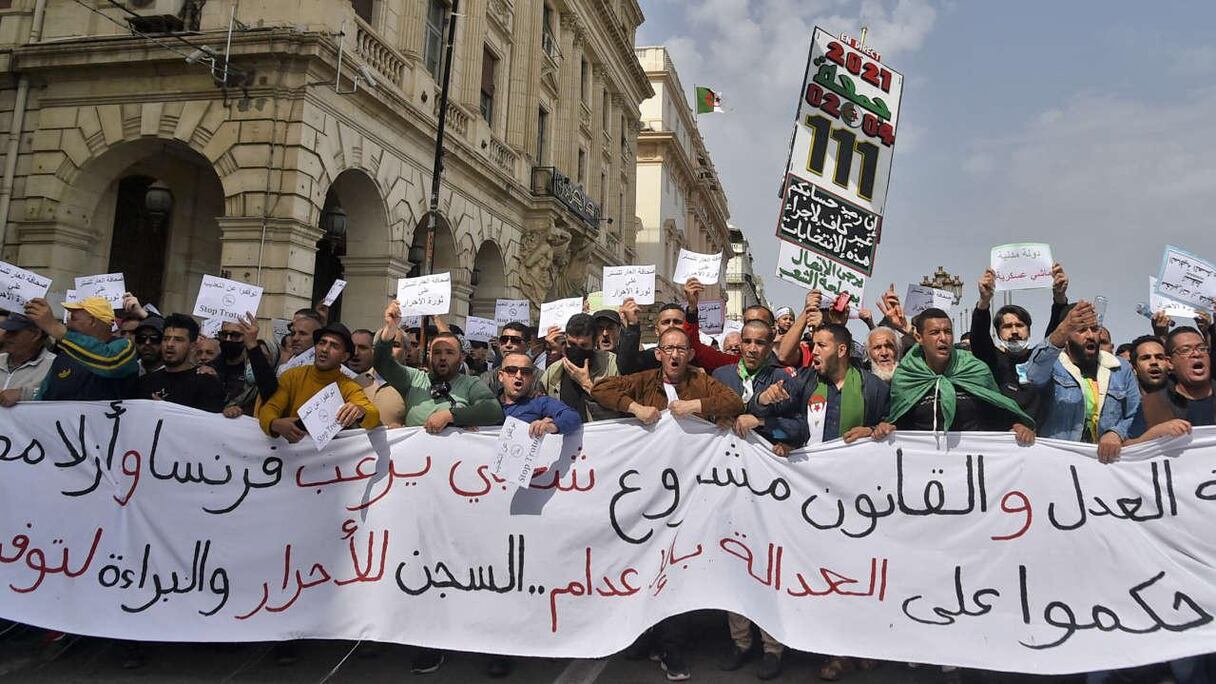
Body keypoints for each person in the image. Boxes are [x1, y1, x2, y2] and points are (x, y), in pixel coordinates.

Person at [591, 326, 744, 682]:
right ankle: (645, 635)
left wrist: (696, 406)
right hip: (648, 490)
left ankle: (672, 646)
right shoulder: (645, 380)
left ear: (690, 354)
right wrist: (634, 407)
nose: (674, 355)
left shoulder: (700, 381)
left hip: (689, 491)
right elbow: (601, 389)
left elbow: (734, 403)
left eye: (681, 349)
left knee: (676, 567)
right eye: (668, 349)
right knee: (645, 563)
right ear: (659, 353)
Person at [709, 319, 801, 680]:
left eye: (759, 343)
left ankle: (773, 646)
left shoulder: (785, 378)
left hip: (768, 489)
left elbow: (799, 427)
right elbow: (708, 415)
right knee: (735, 563)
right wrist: (723, 416)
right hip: (728, 484)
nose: (751, 348)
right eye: (746, 341)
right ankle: (740, 641)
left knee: (769, 566)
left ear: (770, 344)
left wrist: (761, 422)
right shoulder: (720, 375)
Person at [874, 308, 1035, 442]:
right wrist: (887, 427)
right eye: (935, 332)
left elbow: (998, 413)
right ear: (919, 338)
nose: (943, 338)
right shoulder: (907, 376)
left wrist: (1017, 426)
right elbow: (899, 419)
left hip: (973, 461)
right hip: (926, 465)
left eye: (948, 332)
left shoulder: (974, 369)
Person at [1025, 302, 1139, 463]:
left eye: (1095, 329)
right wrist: (1062, 330)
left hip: (1107, 465)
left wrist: (1116, 433)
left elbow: (1136, 413)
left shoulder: (1120, 368)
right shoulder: (1052, 365)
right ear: (1066, 336)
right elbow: (1033, 374)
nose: (1090, 335)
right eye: (1081, 330)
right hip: (1059, 462)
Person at [373, 301, 503, 433]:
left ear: (461, 358)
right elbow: (382, 363)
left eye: (449, 352)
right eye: (437, 352)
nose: (442, 357)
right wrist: (391, 327)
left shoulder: (471, 383)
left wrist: (450, 416)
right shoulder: (413, 379)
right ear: (429, 356)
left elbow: (493, 410)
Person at [257, 322, 380, 441]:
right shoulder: (292, 376)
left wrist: (360, 411)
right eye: (322, 343)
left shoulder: (349, 386)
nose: (325, 349)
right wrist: (274, 424)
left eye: (334, 346)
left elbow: (373, 416)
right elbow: (269, 409)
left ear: (345, 357)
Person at [25, 295, 139, 401]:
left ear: (92, 321)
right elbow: (42, 397)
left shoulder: (124, 347)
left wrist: (53, 326)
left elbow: (109, 362)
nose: (68, 325)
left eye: (73, 318)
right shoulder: (64, 357)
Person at [540, 313, 620, 422]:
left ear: (594, 342)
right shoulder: (554, 371)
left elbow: (620, 407)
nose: (577, 350)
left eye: (584, 345)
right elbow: (543, 404)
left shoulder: (611, 365)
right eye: (572, 344)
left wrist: (586, 384)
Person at [137, 314, 225, 412]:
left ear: (193, 346)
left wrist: (168, 411)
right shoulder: (144, 382)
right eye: (166, 339)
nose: (170, 344)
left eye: (178, 340)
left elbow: (208, 420)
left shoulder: (207, 383)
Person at [498, 352, 580, 436]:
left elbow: (572, 417)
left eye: (526, 372)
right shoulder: (491, 403)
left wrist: (551, 426)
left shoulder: (540, 402)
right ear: (501, 376)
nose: (518, 376)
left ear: (532, 378)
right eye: (512, 370)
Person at [617, 299, 685, 374]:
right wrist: (632, 325)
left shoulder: (691, 359)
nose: (671, 326)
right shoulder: (648, 359)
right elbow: (626, 368)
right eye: (666, 322)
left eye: (677, 322)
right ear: (657, 330)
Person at [0, 313, 54, 406]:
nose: (6, 336)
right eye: (7, 330)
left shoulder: (54, 365)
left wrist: (23, 394)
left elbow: (60, 395)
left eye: (14, 332)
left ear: (36, 335)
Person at [482, 322, 537, 397]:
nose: (508, 345)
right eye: (504, 340)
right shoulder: (488, 378)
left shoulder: (540, 377)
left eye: (515, 340)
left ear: (528, 345)